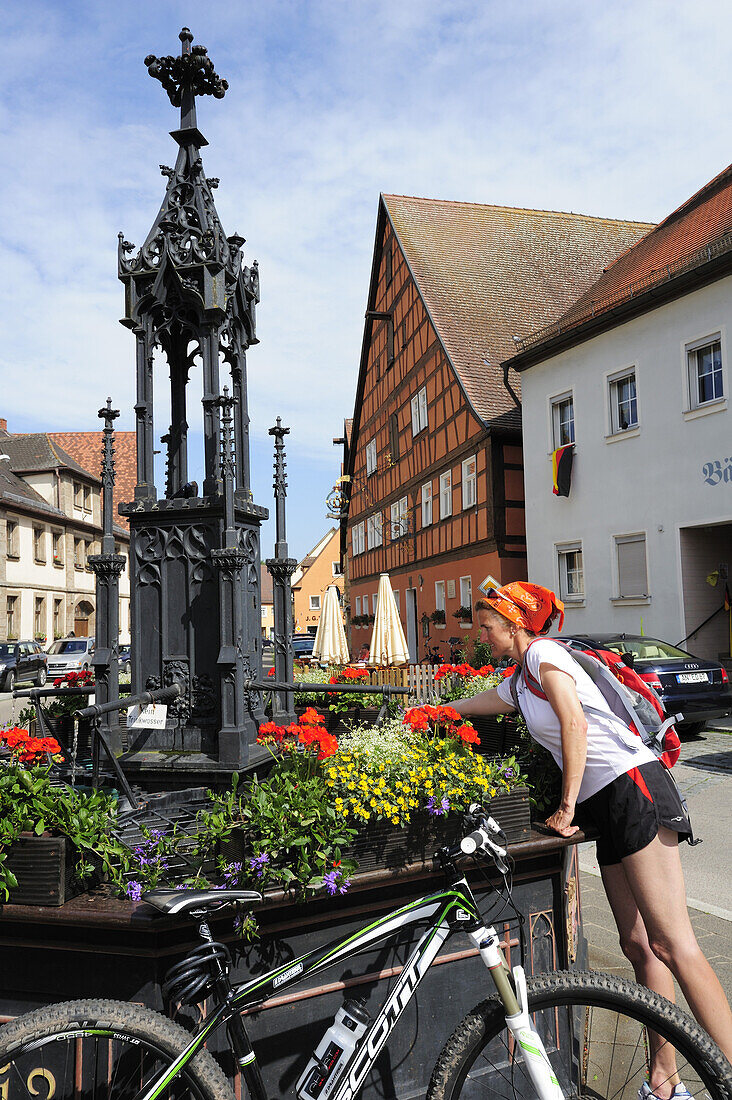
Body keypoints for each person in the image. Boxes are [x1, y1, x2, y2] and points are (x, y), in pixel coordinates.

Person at [452, 581, 732, 1096]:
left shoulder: (544, 655)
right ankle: (664, 1084)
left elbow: (574, 723)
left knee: (675, 943)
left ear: (514, 624)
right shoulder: (519, 680)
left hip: (632, 786)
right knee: (638, 945)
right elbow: (483, 702)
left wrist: (564, 805)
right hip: (607, 801)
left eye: (487, 627)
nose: (482, 637)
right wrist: (437, 714)